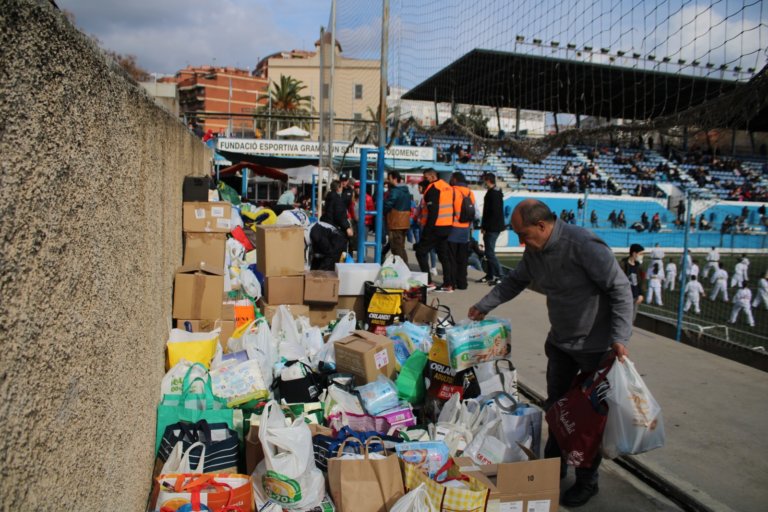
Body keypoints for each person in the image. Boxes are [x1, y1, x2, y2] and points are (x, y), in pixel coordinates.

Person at [468, 199, 632, 508]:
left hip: (594, 349)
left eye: (524, 234)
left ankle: (587, 482)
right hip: (560, 343)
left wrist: (620, 337)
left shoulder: (584, 245)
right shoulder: (536, 250)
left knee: (585, 421)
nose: (521, 242)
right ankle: (554, 467)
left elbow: (620, 289)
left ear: (542, 226)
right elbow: (515, 281)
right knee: (556, 408)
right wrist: (484, 306)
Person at [415, 170, 453, 290]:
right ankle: (449, 284)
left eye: (425, 177)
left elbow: (433, 212)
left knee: (420, 252)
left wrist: (427, 232)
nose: (424, 180)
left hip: (436, 227)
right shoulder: (447, 187)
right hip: (447, 226)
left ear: (432, 176)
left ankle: (428, 282)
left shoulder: (432, 189)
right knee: (443, 255)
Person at [445, 172, 475, 291]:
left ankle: (452, 283)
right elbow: (474, 211)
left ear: (455, 179)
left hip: (453, 229)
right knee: (462, 259)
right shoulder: (469, 192)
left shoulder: (452, 191)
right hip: (465, 230)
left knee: (451, 258)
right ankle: (462, 283)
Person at [479, 173, 505, 284]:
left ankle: (501, 275)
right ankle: (490, 275)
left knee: (489, 253)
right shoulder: (495, 193)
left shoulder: (493, 194)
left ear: (488, 180)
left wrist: (485, 226)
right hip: (492, 227)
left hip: (492, 228)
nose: (483, 182)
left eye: (484, 180)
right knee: (488, 252)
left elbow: (492, 213)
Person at [383, 171, 411, 264]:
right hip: (404, 222)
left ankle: (402, 268)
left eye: (389, 178)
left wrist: (383, 209)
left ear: (394, 179)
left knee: (396, 248)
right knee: (400, 247)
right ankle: (404, 267)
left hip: (396, 222)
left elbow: (388, 204)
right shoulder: (405, 190)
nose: (388, 180)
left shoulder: (395, 191)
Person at [620, 243, 645, 323]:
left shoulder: (639, 266)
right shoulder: (623, 265)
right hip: (625, 296)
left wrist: (641, 294)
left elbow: (641, 281)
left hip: (635, 296)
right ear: (634, 254)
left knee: (632, 319)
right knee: (624, 318)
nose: (642, 256)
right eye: (640, 254)